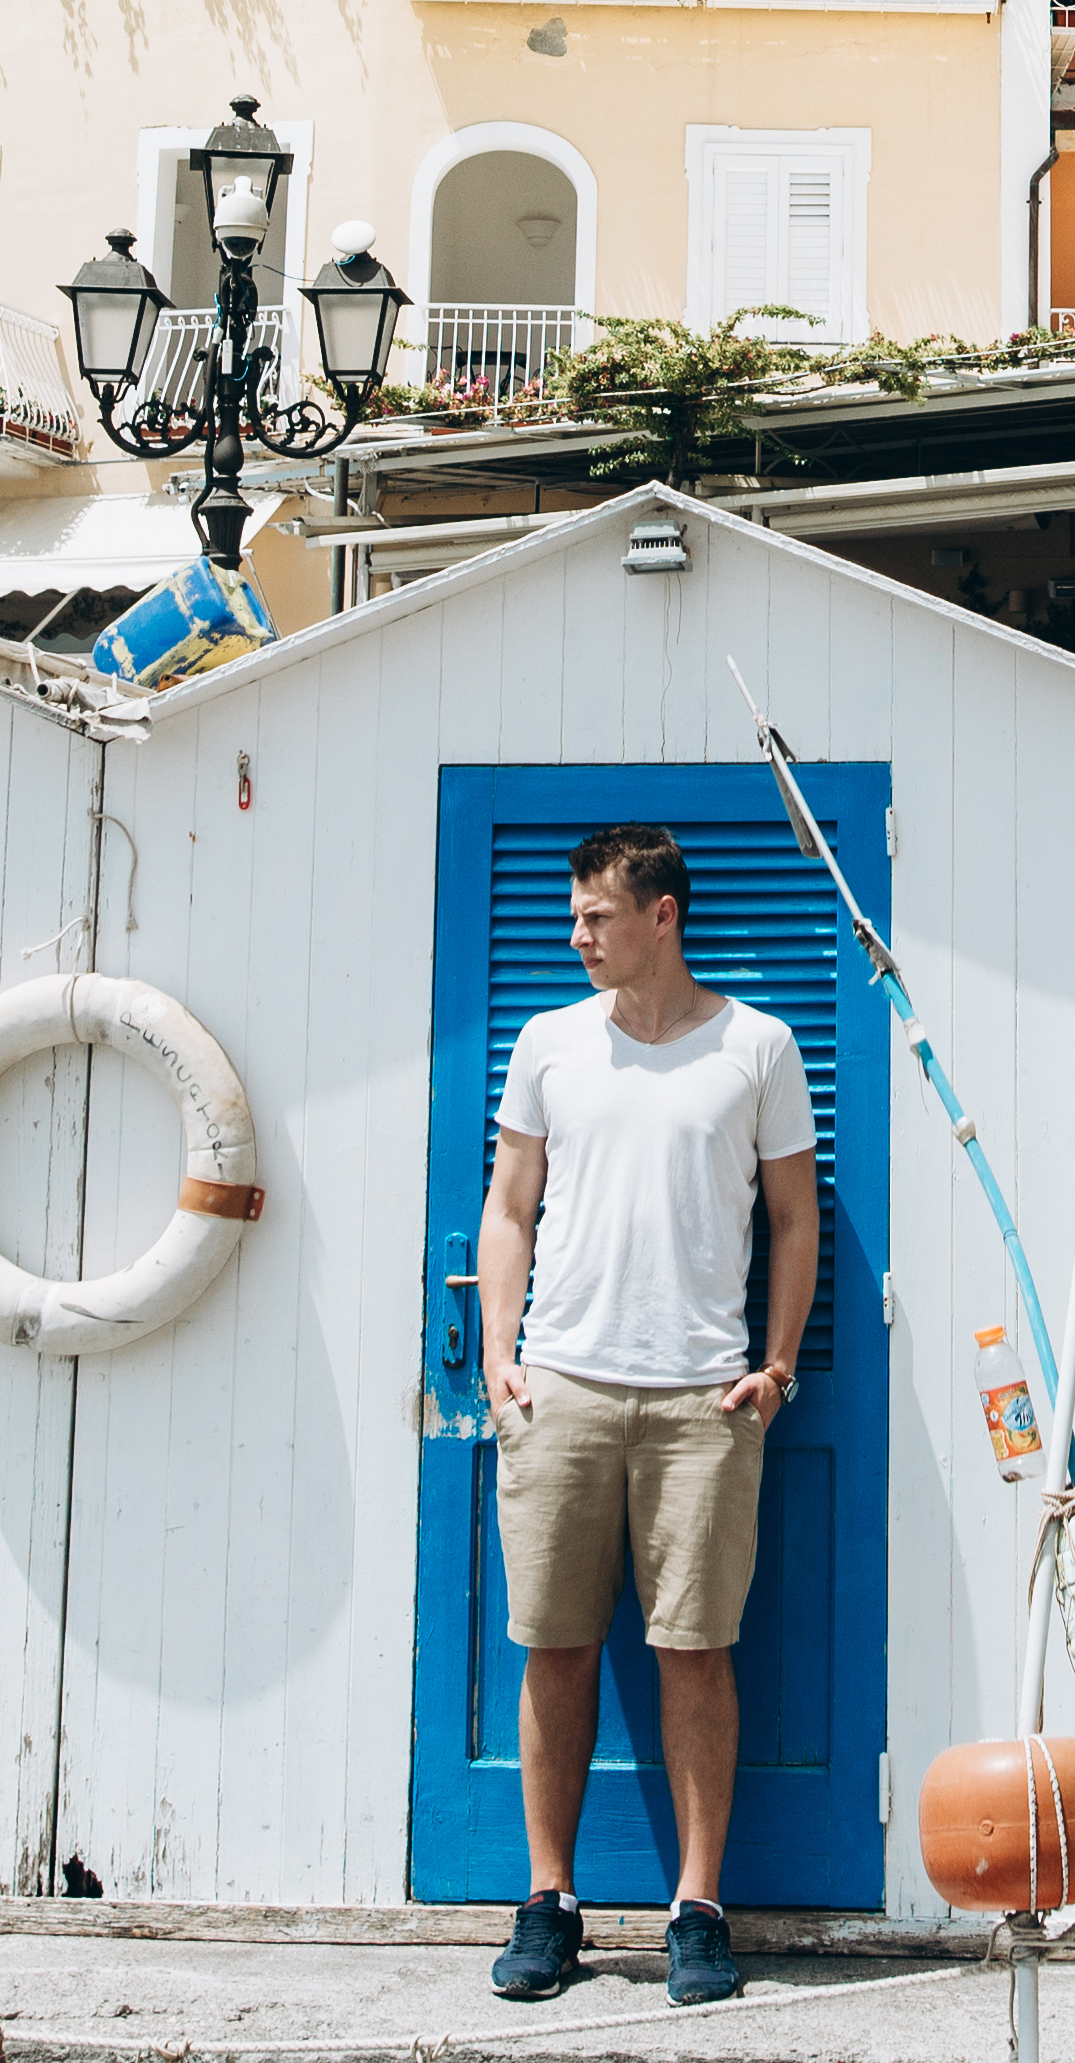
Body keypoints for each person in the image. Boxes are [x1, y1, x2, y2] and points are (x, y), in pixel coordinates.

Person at [476, 824, 819, 2009]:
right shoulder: (548, 1043)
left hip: (699, 1398)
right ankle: (549, 1901)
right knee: (554, 1643)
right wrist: (499, 1355)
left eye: (595, 915)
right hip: (561, 1384)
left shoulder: (758, 1046)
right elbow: (509, 1203)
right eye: (573, 915)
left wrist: (774, 1366)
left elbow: (792, 1219)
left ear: (661, 913)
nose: (574, 934)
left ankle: (698, 1906)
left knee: (695, 1650)